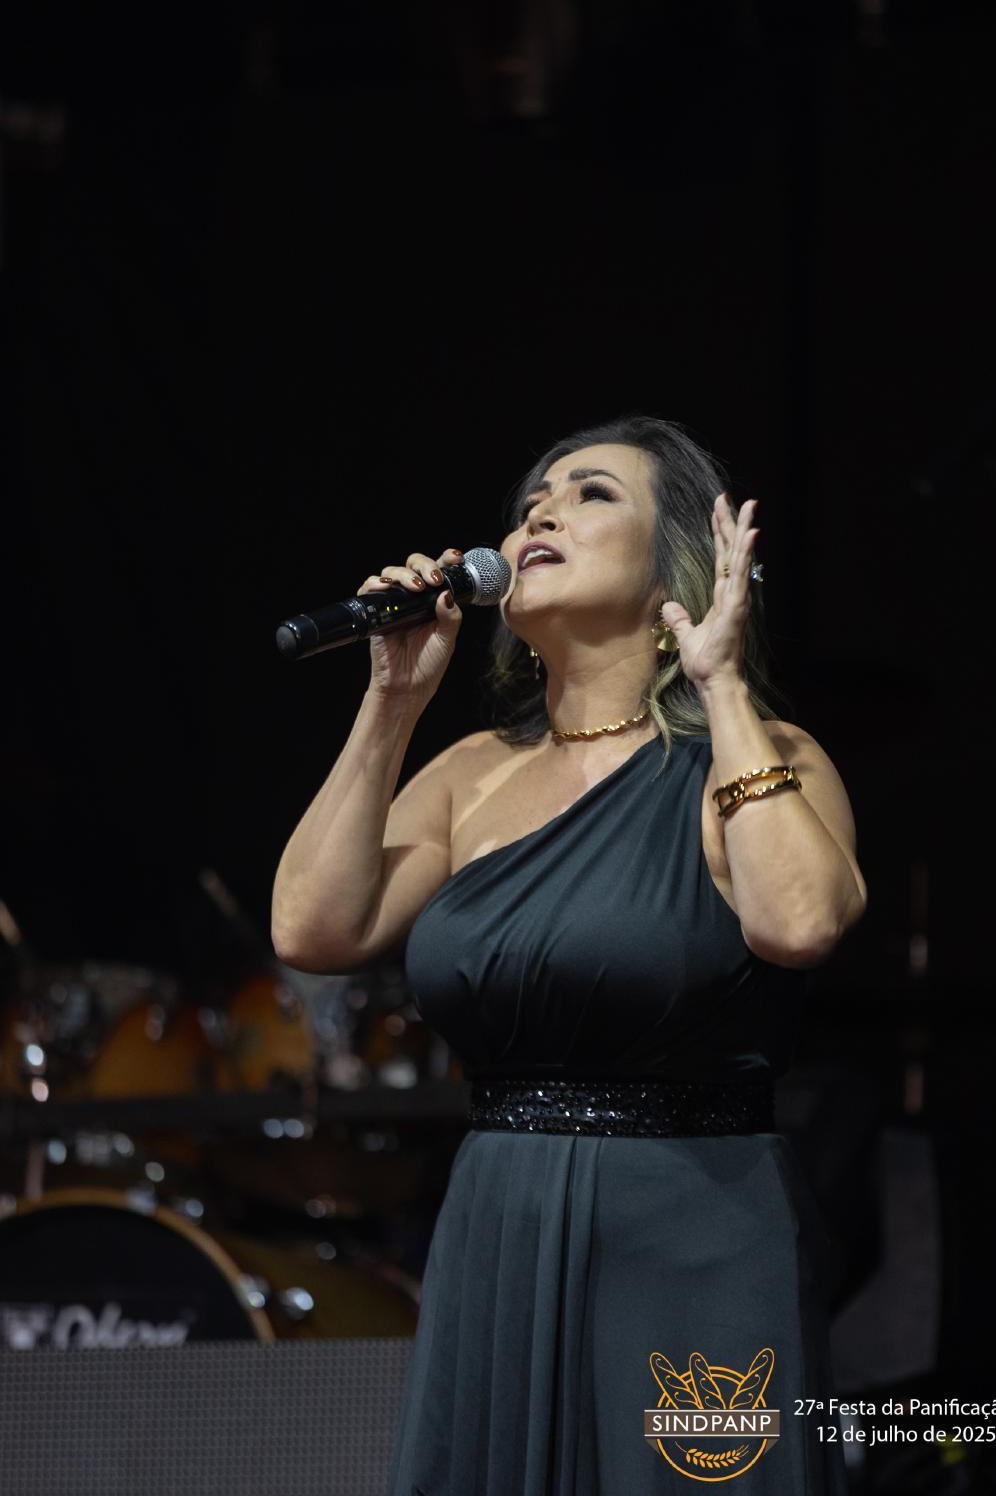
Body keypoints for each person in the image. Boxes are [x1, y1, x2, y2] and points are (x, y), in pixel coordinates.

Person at [271, 414, 867, 1494]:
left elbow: (798, 925)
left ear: (674, 569)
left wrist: (722, 685)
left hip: (695, 1233)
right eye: (532, 501)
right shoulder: (471, 773)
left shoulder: (761, 757)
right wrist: (392, 698)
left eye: (592, 494)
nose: (540, 514)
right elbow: (313, 930)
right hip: (499, 1224)